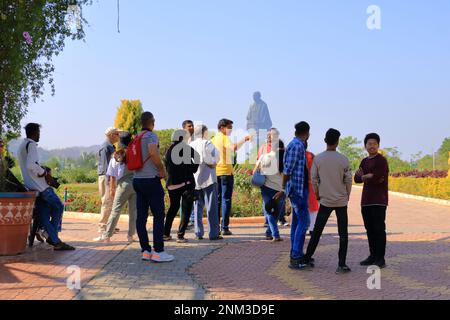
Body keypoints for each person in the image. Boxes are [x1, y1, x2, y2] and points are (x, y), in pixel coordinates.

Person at [302, 129, 353, 274]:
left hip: (325, 201)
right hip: (341, 201)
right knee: (343, 234)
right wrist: (346, 195)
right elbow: (348, 180)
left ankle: (307, 257)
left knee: (317, 231)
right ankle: (341, 264)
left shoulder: (318, 159)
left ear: (325, 141)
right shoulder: (343, 159)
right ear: (337, 142)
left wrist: (318, 195)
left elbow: (314, 179)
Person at [18, 123, 75, 251]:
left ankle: (54, 239)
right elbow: (31, 165)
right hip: (41, 187)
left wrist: (42, 169)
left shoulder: (22, 146)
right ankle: (52, 236)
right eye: (38, 132)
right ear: (34, 132)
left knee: (43, 214)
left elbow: (29, 166)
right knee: (58, 206)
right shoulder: (31, 144)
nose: (39, 135)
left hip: (31, 187)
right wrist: (45, 174)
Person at [132, 112, 174, 263]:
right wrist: (161, 169)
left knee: (141, 216)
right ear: (152, 122)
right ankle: (158, 252)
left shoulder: (136, 137)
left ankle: (145, 250)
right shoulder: (151, 136)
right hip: (151, 179)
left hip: (137, 179)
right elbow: (152, 152)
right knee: (158, 214)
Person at [274, 121, 310, 269]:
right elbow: (288, 170)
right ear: (307, 133)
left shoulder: (296, 144)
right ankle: (295, 256)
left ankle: (296, 253)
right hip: (297, 190)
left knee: (297, 222)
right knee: (304, 221)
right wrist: (283, 188)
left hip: (297, 189)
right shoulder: (296, 145)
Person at [94, 132, 137, 244]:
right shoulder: (134, 154)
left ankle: (107, 236)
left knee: (115, 211)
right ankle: (130, 236)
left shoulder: (116, 156)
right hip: (135, 184)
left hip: (122, 185)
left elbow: (112, 175)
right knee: (133, 211)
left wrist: (113, 189)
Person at [354, 133, 389, 269]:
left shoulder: (381, 160)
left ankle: (380, 258)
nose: (372, 146)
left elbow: (378, 177)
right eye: (369, 143)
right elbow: (357, 178)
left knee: (379, 229)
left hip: (379, 200)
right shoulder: (364, 161)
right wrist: (367, 176)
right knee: (369, 229)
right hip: (366, 200)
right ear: (365, 146)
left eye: (374, 143)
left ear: (378, 145)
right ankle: (372, 255)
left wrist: (368, 176)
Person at [212, 119, 252, 236]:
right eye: (229, 127)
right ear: (222, 127)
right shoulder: (224, 138)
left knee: (217, 201)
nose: (231, 130)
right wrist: (244, 139)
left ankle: (216, 227)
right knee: (226, 200)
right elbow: (233, 148)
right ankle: (224, 227)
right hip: (225, 172)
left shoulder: (213, 139)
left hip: (216, 172)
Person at [163, 130, 200, 243]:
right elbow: (197, 158)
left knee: (173, 208)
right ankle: (180, 235)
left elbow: (167, 166)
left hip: (173, 184)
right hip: (187, 183)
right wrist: (192, 169)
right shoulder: (186, 149)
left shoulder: (168, 151)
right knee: (186, 210)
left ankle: (165, 233)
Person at [190, 125, 222, 240]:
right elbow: (216, 156)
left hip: (195, 179)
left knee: (197, 206)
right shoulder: (207, 143)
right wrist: (212, 163)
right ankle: (213, 233)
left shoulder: (191, 145)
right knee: (211, 207)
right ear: (204, 132)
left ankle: (198, 232)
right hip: (208, 179)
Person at [253, 128, 285, 242]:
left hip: (267, 188)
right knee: (276, 212)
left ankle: (272, 233)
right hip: (281, 190)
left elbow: (255, 171)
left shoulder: (264, 156)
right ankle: (272, 233)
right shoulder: (284, 159)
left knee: (270, 211)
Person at [97, 127, 120, 233]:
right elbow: (107, 167)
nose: (118, 136)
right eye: (117, 134)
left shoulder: (110, 146)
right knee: (106, 202)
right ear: (111, 135)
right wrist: (111, 180)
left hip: (109, 177)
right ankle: (102, 227)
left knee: (110, 202)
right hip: (106, 177)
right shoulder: (106, 147)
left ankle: (109, 225)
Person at [182, 120, 196, 228]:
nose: (191, 127)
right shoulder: (182, 140)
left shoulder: (195, 139)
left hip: (194, 172)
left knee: (192, 198)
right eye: (189, 126)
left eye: (192, 126)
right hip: (183, 174)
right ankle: (184, 222)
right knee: (184, 199)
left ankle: (191, 219)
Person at [305, 143, 319, 236]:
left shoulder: (294, 155)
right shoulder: (311, 155)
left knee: (301, 208)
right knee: (313, 208)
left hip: (299, 186)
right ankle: (312, 228)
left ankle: (305, 228)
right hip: (310, 184)